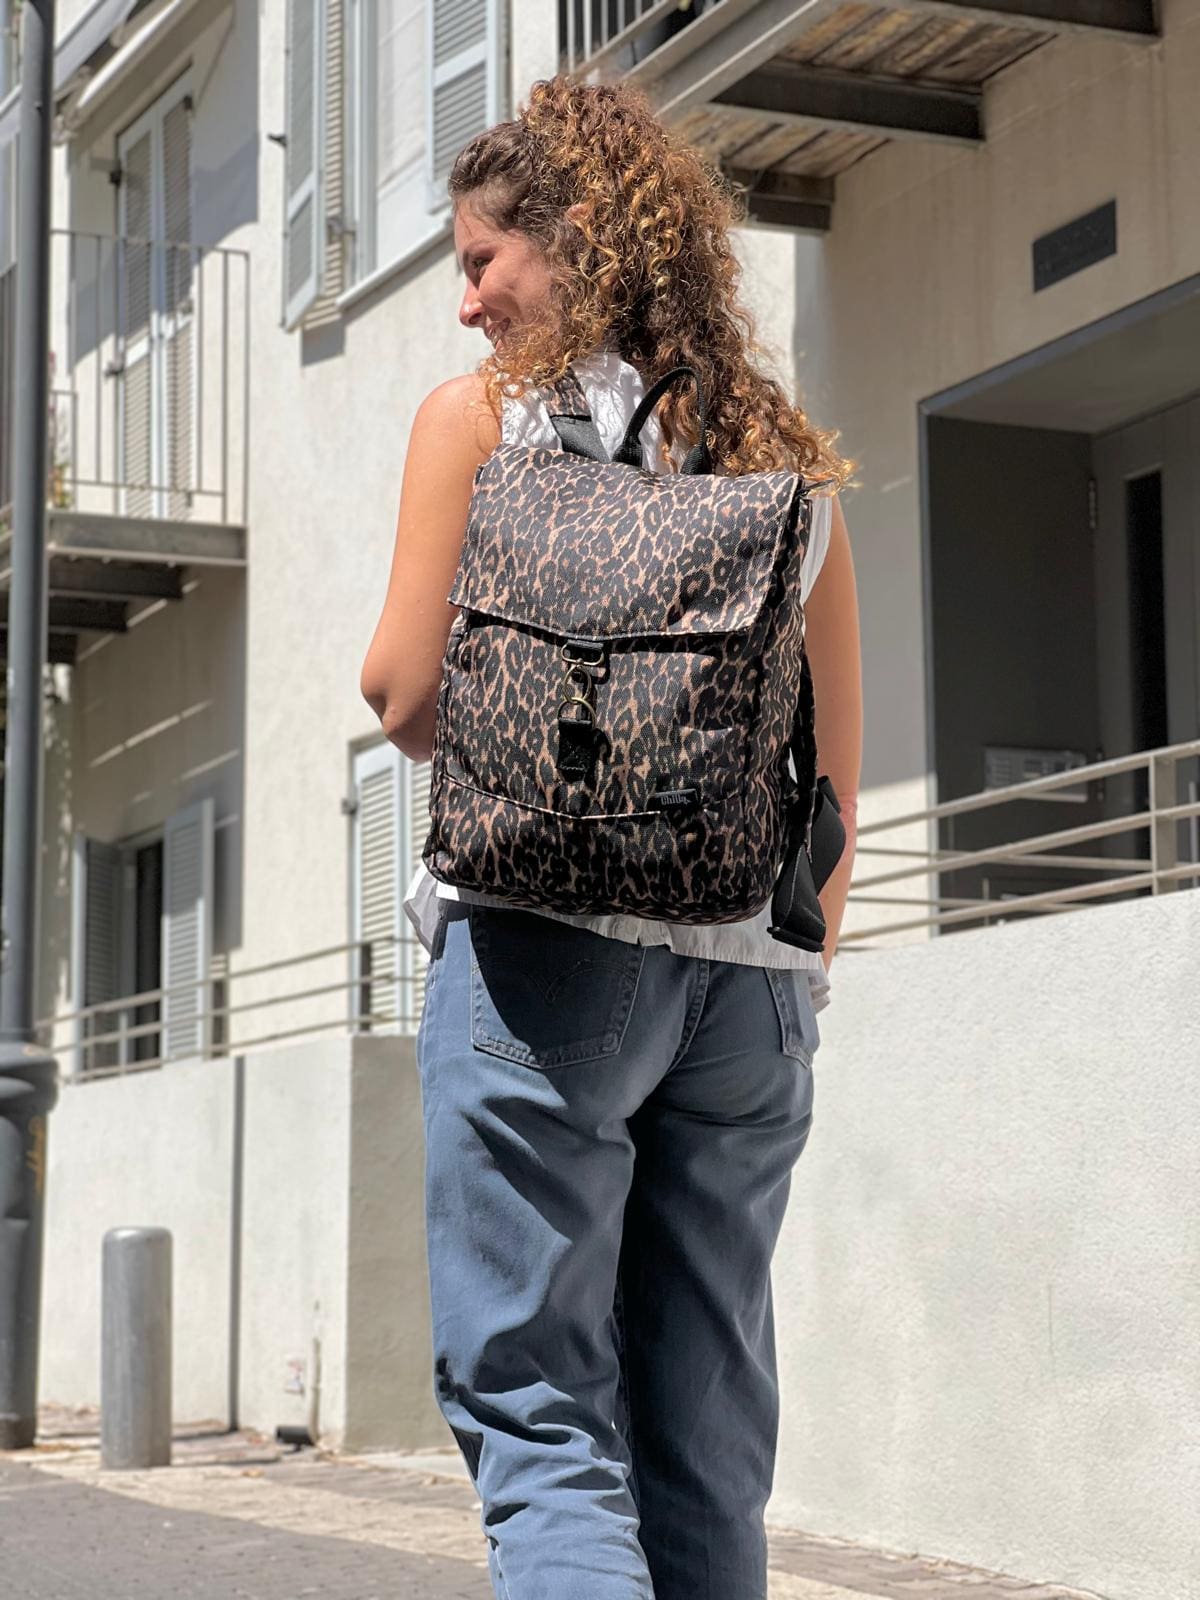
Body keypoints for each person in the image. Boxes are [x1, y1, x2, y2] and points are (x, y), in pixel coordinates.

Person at [360, 75, 862, 1600]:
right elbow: (832, 778)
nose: (465, 303)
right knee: (706, 1449)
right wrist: (793, 978)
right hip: (751, 991)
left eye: (479, 260)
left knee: (544, 1421)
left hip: (545, 962)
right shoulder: (785, 459)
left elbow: (401, 697)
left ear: (573, 239)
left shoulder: (480, 425)